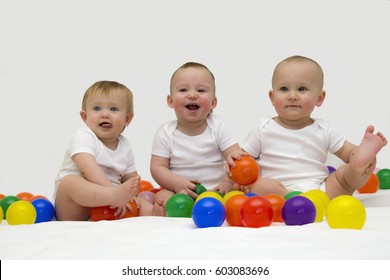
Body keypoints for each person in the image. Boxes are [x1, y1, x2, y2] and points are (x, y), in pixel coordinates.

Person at [227, 55, 387, 199]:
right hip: (279, 191)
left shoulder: (324, 129)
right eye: (284, 89)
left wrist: (356, 157)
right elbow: (244, 160)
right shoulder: (263, 128)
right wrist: (234, 164)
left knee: (344, 176)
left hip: (320, 191)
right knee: (263, 186)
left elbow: (348, 152)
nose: (292, 95)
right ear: (272, 97)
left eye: (302, 89)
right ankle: (294, 200)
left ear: (320, 98)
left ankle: (361, 165)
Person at [54, 81, 163, 221]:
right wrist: (113, 193)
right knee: (70, 182)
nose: (105, 114)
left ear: (127, 119)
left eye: (113, 109)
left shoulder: (124, 145)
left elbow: (131, 179)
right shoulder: (83, 136)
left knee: (139, 200)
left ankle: (154, 214)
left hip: (111, 206)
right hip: (75, 208)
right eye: (97, 108)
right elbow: (87, 168)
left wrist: (131, 192)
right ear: (85, 117)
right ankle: (113, 196)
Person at [150, 62, 240, 203]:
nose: (192, 95)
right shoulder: (165, 133)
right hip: (179, 193)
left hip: (216, 192)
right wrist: (175, 183)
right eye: (183, 90)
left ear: (213, 102)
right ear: (170, 101)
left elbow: (236, 159)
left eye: (201, 90)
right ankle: (161, 213)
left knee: (236, 197)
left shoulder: (217, 127)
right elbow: (157, 167)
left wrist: (227, 183)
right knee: (162, 198)